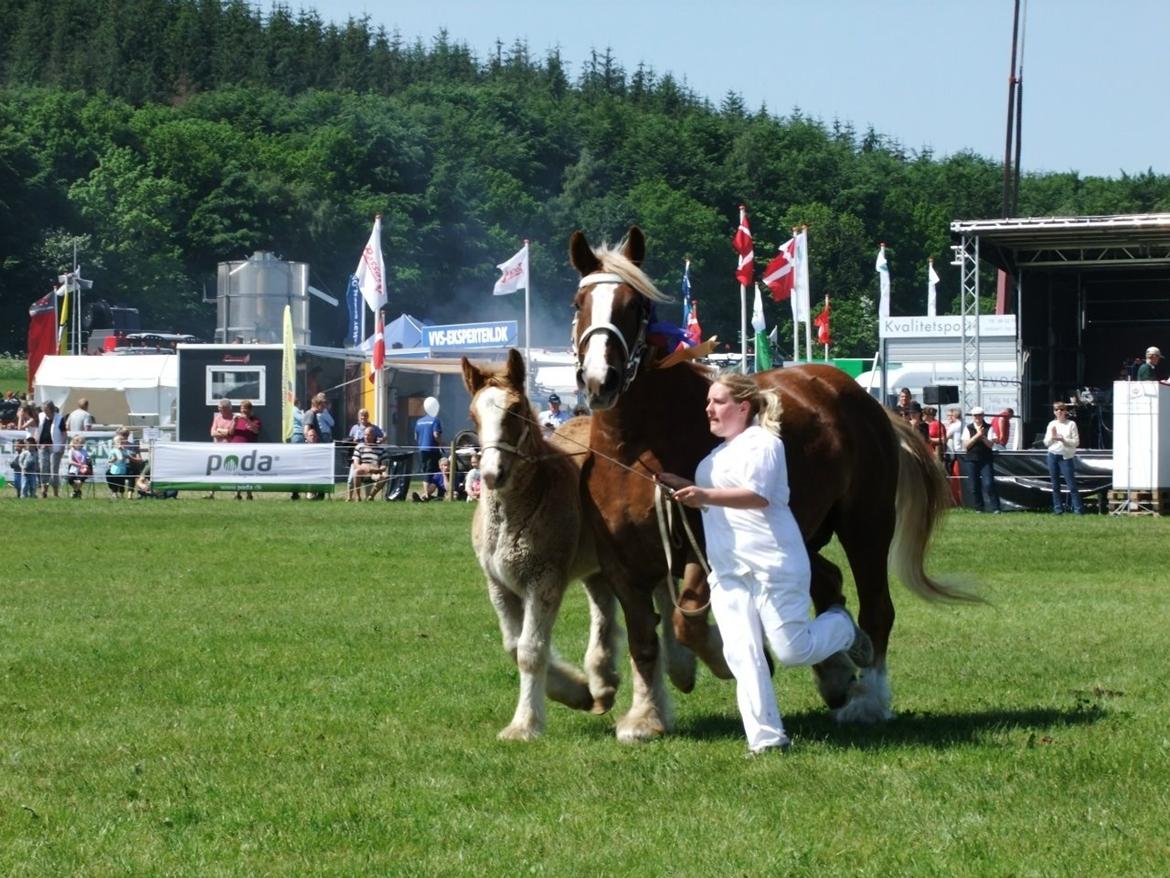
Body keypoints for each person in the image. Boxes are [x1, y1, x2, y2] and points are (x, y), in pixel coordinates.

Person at [669, 372, 872, 755]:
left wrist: (704, 494)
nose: (708, 409)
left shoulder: (764, 443)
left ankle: (842, 626)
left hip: (772, 564)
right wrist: (682, 484)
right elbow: (718, 494)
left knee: (792, 650)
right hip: (728, 570)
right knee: (742, 655)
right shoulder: (713, 458)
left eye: (718, 402)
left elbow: (758, 496)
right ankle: (766, 740)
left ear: (743, 407)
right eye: (709, 402)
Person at [1045, 402, 1084, 515]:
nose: (1059, 412)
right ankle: (1058, 509)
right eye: (1056, 409)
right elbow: (1046, 442)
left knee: (1071, 484)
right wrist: (1053, 438)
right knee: (1055, 484)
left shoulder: (1071, 424)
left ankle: (1078, 509)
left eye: (1061, 409)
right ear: (1054, 412)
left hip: (1066, 457)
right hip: (1052, 455)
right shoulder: (1051, 424)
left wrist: (1063, 440)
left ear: (1065, 411)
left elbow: (1076, 442)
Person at [963, 406, 1001, 513]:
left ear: (983, 416)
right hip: (971, 459)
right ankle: (979, 508)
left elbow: (990, 445)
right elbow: (966, 445)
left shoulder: (989, 427)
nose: (977, 417)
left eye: (979, 415)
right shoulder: (968, 428)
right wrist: (977, 436)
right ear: (972, 416)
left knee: (989, 483)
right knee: (974, 485)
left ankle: (996, 507)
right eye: (975, 415)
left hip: (986, 459)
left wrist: (983, 437)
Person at [36, 400, 67, 498]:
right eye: (44, 410)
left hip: (55, 448)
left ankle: (55, 493)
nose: (45, 412)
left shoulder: (59, 418)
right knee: (43, 469)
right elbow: (37, 429)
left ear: (51, 409)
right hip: (42, 447)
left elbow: (64, 434)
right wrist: (37, 442)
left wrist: (62, 446)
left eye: (47, 410)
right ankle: (44, 491)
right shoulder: (40, 416)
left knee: (54, 470)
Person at [230, 400, 261, 500]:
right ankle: (237, 493)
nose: (243, 411)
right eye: (241, 408)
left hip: (249, 450)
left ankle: (249, 493)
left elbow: (256, 431)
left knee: (248, 472)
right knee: (236, 472)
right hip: (236, 448)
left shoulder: (255, 420)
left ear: (250, 410)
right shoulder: (237, 419)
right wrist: (234, 423)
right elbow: (230, 432)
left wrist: (247, 420)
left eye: (245, 409)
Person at [349, 427, 388, 501]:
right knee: (357, 471)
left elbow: (384, 466)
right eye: (365, 435)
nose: (366, 437)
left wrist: (378, 470)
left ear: (374, 436)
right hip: (363, 471)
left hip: (376, 472)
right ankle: (358, 497)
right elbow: (356, 464)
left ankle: (371, 496)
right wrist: (367, 469)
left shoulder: (382, 449)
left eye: (369, 435)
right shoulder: (359, 447)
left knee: (385, 476)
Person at [206, 398, 235, 499]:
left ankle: (235, 494)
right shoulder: (217, 418)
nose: (219, 410)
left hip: (231, 448)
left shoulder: (234, 418)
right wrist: (225, 432)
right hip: (218, 448)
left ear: (228, 408)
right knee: (214, 471)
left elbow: (232, 433)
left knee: (232, 471)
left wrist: (221, 431)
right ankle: (211, 493)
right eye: (219, 408)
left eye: (221, 408)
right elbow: (212, 433)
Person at [414, 398, 443, 492]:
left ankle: (428, 492)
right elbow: (436, 435)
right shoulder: (435, 420)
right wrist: (441, 443)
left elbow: (415, 437)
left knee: (426, 471)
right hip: (432, 449)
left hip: (422, 450)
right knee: (435, 470)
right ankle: (427, 494)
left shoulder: (419, 421)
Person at [106, 433, 132, 498]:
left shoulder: (124, 450)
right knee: (115, 482)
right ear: (115, 443)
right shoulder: (113, 451)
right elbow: (109, 461)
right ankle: (115, 493)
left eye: (122, 442)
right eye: (118, 442)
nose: (120, 443)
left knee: (121, 483)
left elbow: (126, 458)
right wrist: (113, 460)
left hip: (122, 470)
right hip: (115, 470)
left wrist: (125, 456)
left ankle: (122, 495)